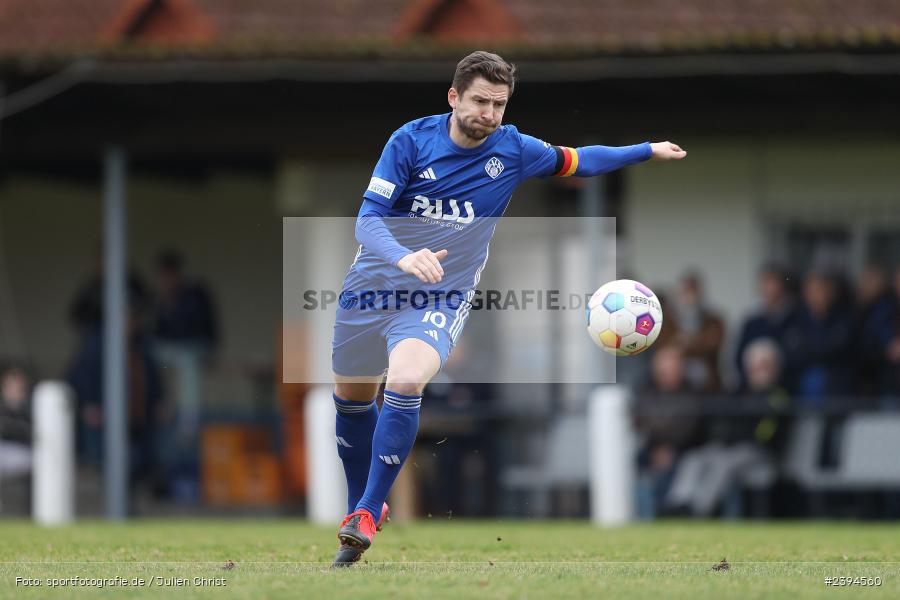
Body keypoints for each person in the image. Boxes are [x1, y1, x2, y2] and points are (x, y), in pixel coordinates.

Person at [328, 50, 686, 566]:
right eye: (480, 101)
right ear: (453, 97)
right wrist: (406, 257)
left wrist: (645, 150)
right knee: (352, 404)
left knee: (405, 381)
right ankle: (358, 506)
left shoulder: (514, 149)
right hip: (373, 286)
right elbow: (367, 222)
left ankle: (364, 512)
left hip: (440, 295)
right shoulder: (409, 141)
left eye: (499, 104)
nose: (490, 114)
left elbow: (580, 160)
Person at [734, 264, 798, 391]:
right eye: (765, 282)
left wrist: (772, 366)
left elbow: (797, 355)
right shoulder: (751, 323)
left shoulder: (795, 319)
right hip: (752, 386)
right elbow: (739, 356)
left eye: (773, 282)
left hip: (785, 385)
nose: (769, 287)